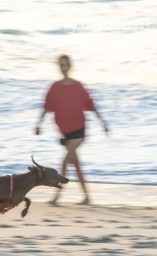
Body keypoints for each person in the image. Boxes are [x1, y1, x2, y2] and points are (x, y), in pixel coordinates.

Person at [35, 54, 109, 205]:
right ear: (59, 67)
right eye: (61, 65)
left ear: (70, 66)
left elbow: (91, 105)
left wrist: (103, 123)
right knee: (76, 165)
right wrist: (39, 124)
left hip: (79, 131)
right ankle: (87, 197)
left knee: (64, 161)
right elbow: (47, 106)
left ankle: (57, 196)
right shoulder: (54, 87)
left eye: (66, 64)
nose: (64, 67)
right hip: (65, 133)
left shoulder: (78, 86)